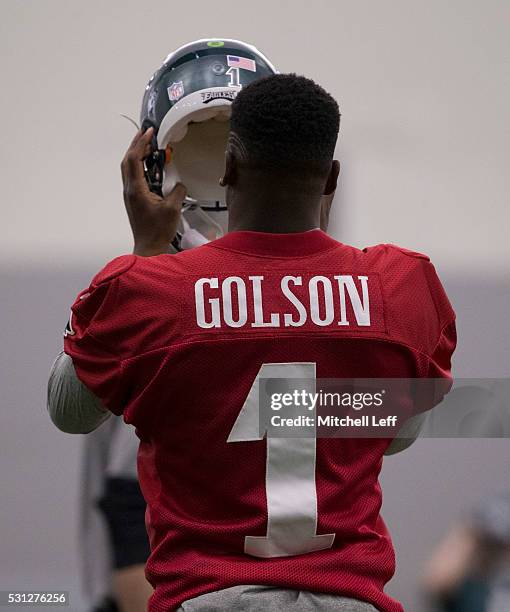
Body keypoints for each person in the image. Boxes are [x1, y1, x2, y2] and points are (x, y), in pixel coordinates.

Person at [48, 73, 456, 611]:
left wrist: (146, 250)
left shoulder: (154, 293)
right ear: (331, 178)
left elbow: (67, 411)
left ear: (230, 169)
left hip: (209, 598)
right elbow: (396, 436)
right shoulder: (396, 286)